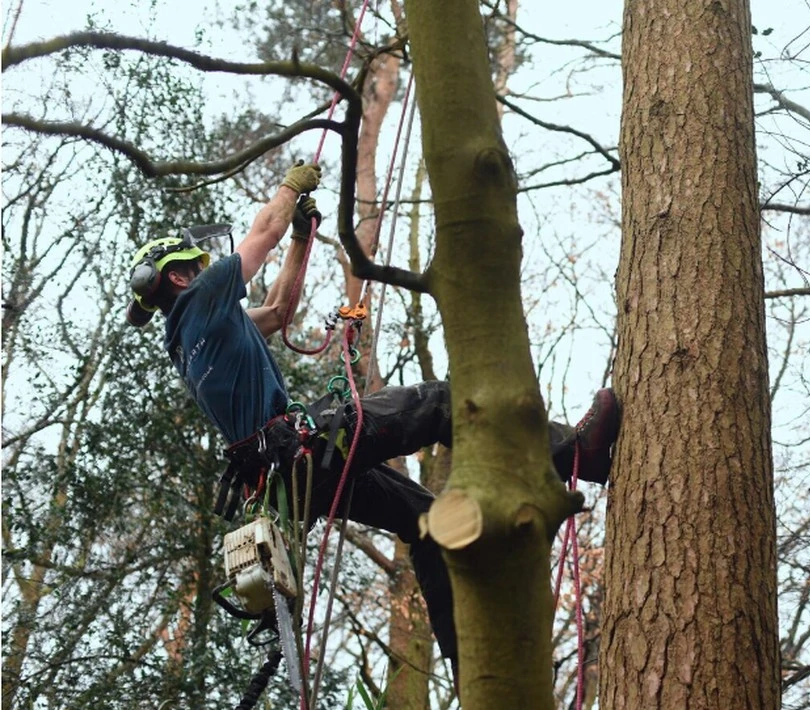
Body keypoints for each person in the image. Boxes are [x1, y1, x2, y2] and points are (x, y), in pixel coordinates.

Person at [125, 161, 619, 682]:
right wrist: (291, 190)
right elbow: (260, 232)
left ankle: (471, 672)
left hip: (290, 483)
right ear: (179, 277)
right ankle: (573, 453)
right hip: (300, 453)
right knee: (437, 403)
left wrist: (300, 239)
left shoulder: (187, 342)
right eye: (196, 268)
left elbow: (277, 312)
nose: (206, 272)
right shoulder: (203, 299)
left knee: (427, 525)